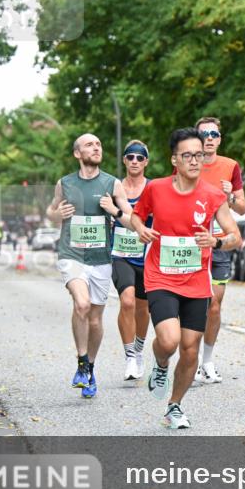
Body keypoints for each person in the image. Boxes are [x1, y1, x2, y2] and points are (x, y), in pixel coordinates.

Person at [130, 127, 239, 429]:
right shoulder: (156, 188)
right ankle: (161, 364)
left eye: (199, 155)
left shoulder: (213, 195)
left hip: (195, 280)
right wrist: (140, 229)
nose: (195, 160)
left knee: (190, 348)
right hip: (161, 276)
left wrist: (216, 242)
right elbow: (136, 216)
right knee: (169, 340)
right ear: (174, 160)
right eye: (188, 155)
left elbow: (235, 236)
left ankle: (174, 406)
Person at [46, 133, 134, 399]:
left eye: (98, 144)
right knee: (81, 305)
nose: (96, 148)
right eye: (89, 145)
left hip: (101, 259)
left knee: (95, 319)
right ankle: (82, 362)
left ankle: (89, 369)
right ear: (77, 153)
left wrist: (114, 211)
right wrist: (56, 215)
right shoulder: (65, 183)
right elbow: (50, 213)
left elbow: (133, 220)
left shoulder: (112, 183)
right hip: (71, 254)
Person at [192, 116, 245, 384]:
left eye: (215, 133)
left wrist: (232, 196)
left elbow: (242, 208)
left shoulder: (230, 166)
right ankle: (188, 359)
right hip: (192, 243)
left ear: (220, 138)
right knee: (192, 305)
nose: (210, 138)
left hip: (220, 244)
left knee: (214, 304)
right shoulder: (188, 162)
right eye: (205, 134)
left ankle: (208, 361)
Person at [111, 140, 153, 382]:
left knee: (142, 307)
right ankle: (129, 356)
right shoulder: (115, 189)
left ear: (146, 162)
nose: (135, 161)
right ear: (124, 160)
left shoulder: (153, 188)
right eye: (130, 157)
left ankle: (138, 349)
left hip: (146, 255)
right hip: (120, 253)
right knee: (126, 301)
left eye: (139, 157)